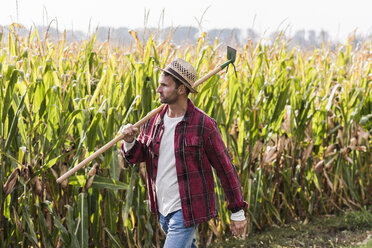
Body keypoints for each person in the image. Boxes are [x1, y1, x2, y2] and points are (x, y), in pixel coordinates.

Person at [121, 58, 247, 248]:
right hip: (162, 208)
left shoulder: (203, 124)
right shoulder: (154, 120)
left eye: (164, 85)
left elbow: (225, 168)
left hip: (186, 210)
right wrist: (130, 141)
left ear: (181, 90)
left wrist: (237, 212)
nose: (158, 90)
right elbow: (141, 156)